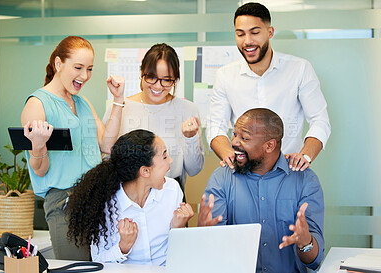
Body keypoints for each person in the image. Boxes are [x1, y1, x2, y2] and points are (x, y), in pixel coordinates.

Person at [21, 36, 125, 260]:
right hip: (64, 204)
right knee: (76, 267)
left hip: (95, 199)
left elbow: (106, 144)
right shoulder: (37, 104)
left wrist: (118, 100)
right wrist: (39, 146)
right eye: (78, 68)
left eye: (89, 69)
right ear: (59, 64)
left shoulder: (83, 103)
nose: (84, 76)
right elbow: (39, 170)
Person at [206, 2, 331, 172]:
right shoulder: (225, 75)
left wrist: (305, 156)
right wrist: (228, 153)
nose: (247, 41)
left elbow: (320, 120)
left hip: (288, 172)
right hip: (243, 173)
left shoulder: (299, 69)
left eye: (255, 32)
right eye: (240, 34)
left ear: (270, 32)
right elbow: (215, 125)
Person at [199, 108, 324, 272]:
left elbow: (314, 261)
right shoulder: (222, 178)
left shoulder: (305, 180)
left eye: (244, 138)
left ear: (270, 145)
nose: (235, 142)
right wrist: (203, 233)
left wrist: (305, 242)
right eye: (235, 134)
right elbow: (210, 254)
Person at [66, 129, 194, 265]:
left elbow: (181, 255)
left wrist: (178, 230)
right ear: (145, 171)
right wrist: (123, 247)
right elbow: (98, 260)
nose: (170, 160)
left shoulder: (172, 190)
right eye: (164, 156)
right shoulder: (106, 204)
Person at [103, 43, 204, 191]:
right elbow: (105, 157)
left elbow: (194, 170)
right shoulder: (120, 107)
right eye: (151, 77)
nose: (158, 86)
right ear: (142, 73)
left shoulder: (188, 109)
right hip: (128, 195)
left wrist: (190, 138)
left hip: (170, 193)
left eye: (167, 80)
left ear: (175, 80)